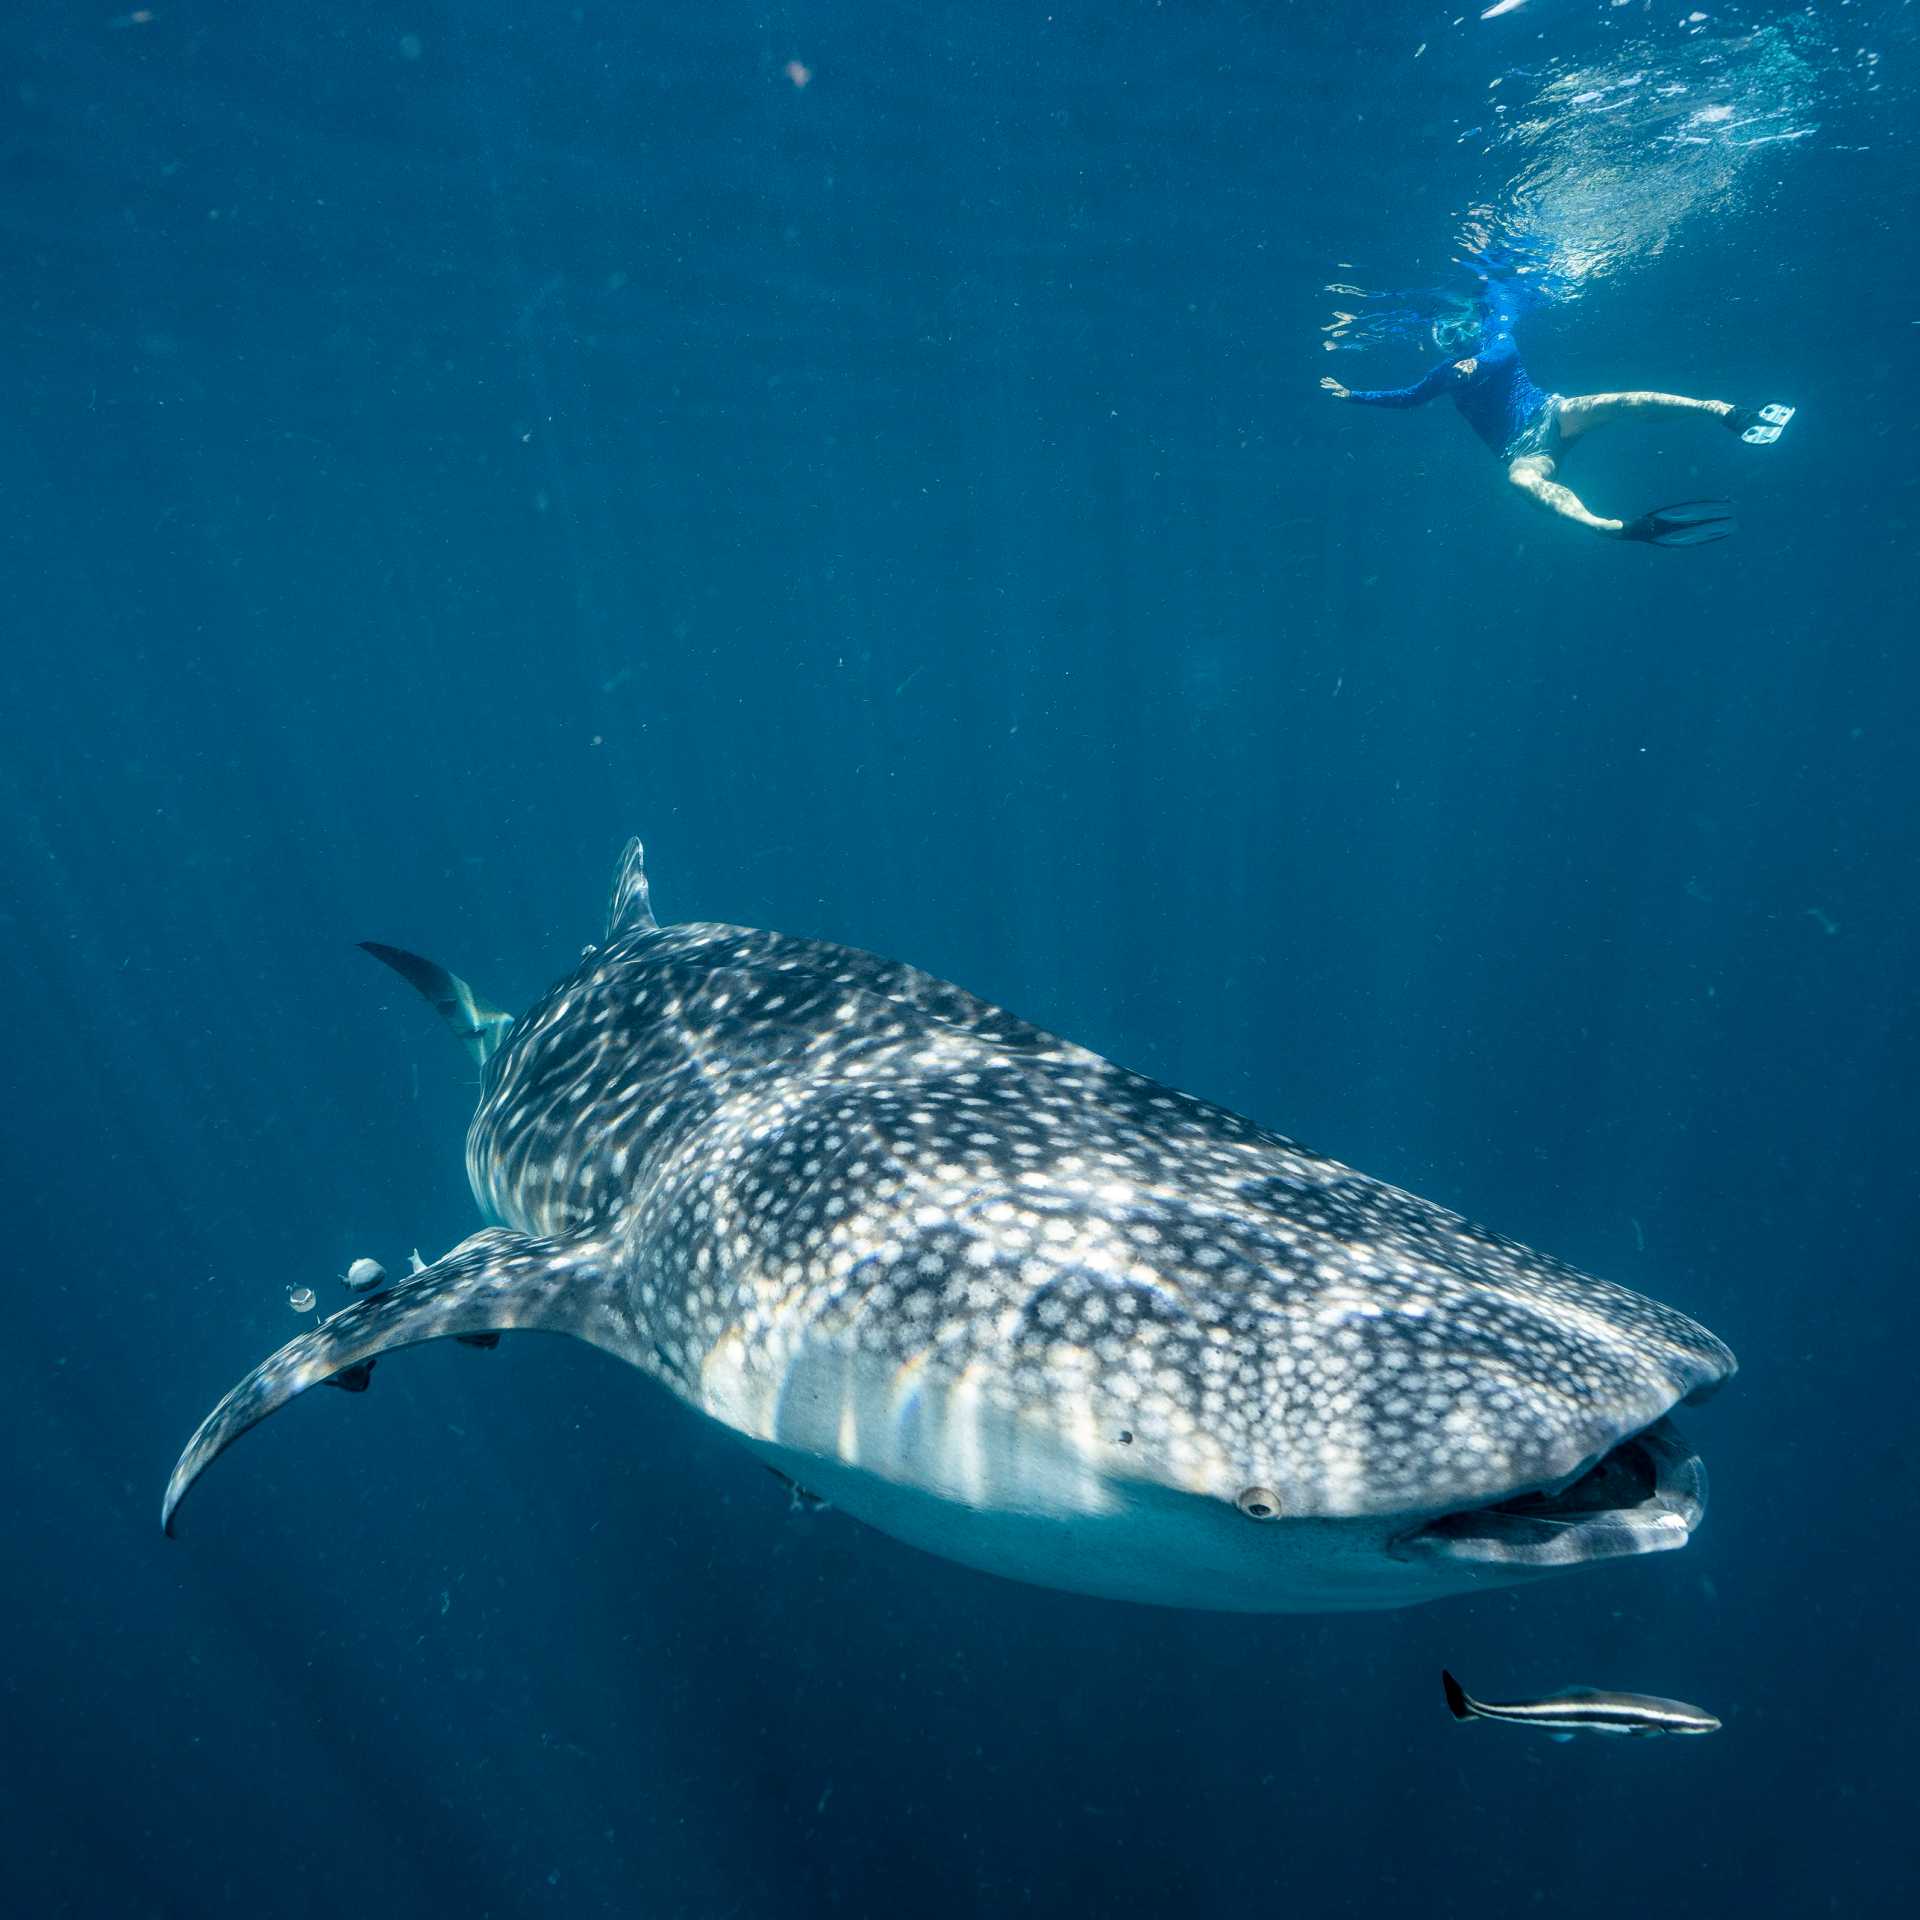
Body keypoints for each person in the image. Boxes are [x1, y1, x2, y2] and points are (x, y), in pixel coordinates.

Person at [1321, 264, 1792, 545]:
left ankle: (1726, 412)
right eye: (1443, 334)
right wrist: (1350, 395)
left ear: (1472, 324)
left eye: (1457, 329)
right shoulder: (1442, 375)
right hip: (1525, 450)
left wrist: (1476, 361)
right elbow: (1406, 399)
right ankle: (1611, 527)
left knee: (1622, 401)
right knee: (1519, 479)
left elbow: (1498, 354)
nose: (1451, 339)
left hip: (1554, 414)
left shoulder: (1498, 339)